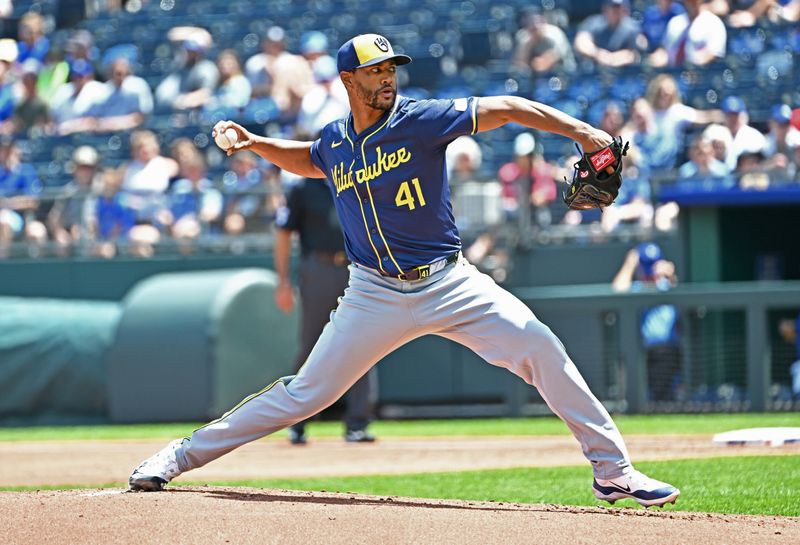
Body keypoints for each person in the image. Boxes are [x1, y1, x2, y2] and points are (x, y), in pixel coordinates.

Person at [129, 33, 680, 508]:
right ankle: (181, 455)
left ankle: (613, 471)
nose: (387, 78)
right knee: (305, 395)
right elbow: (307, 159)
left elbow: (510, 107)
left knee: (541, 348)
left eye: (391, 68)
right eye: (375, 71)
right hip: (372, 293)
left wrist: (584, 134)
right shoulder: (335, 141)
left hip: (450, 282)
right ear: (349, 79)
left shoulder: (422, 121)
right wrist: (255, 144)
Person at [274, 174, 379, 445]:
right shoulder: (303, 187)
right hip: (317, 268)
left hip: (358, 268)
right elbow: (284, 232)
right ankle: (295, 422)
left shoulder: (359, 178)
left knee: (363, 343)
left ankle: (358, 423)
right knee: (311, 346)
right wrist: (283, 281)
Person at [612, 242, 681, 403]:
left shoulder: (666, 284)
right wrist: (630, 264)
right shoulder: (637, 287)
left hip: (666, 351)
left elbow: (675, 288)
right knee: (638, 398)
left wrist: (670, 274)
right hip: (640, 352)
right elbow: (617, 290)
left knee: (663, 399)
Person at [649, 0, 727, 68]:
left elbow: (713, 54)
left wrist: (692, 64)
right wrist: (657, 59)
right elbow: (665, 51)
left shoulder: (713, 22)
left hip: (699, 75)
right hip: (674, 74)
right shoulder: (676, 22)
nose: (691, 2)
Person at [573, 0, 647, 69]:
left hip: (624, 71)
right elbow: (581, 42)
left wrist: (614, 58)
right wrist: (598, 54)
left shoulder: (631, 27)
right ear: (605, 9)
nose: (616, 11)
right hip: (596, 70)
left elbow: (638, 50)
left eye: (619, 7)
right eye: (613, 7)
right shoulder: (594, 23)